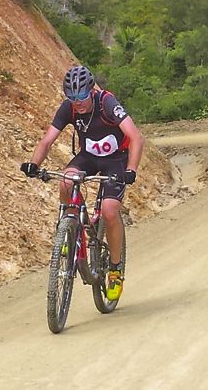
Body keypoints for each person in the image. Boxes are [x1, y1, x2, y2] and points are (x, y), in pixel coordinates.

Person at [22, 64, 143, 302]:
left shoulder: (107, 103)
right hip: (88, 157)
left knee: (109, 211)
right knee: (66, 182)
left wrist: (131, 169)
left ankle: (115, 271)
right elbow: (47, 141)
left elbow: (136, 137)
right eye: (72, 97)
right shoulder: (68, 108)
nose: (77, 102)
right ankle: (69, 231)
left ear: (91, 90)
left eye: (82, 95)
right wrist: (33, 164)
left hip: (116, 160)